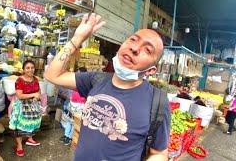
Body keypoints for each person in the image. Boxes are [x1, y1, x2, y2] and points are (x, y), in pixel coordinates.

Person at [44, 13, 170, 160]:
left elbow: (159, 153)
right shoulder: (96, 79)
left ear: (150, 70)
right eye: (133, 39)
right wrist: (77, 38)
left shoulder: (157, 102)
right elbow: (52, 75)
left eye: (147, 50)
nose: (135, 48)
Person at [9, 60, 42, 157]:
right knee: (19, 126)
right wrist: (33, 95)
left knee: (32, 123)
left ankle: (30, 139)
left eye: (32, 68)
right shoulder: (19, 80)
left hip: (33, 105)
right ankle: (19, 146)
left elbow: (38, 92)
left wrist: (37, 97)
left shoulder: (35, 79)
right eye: (28, 68)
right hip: (22, 106)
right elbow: (19, 96)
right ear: (23, 69)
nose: (30, 70)